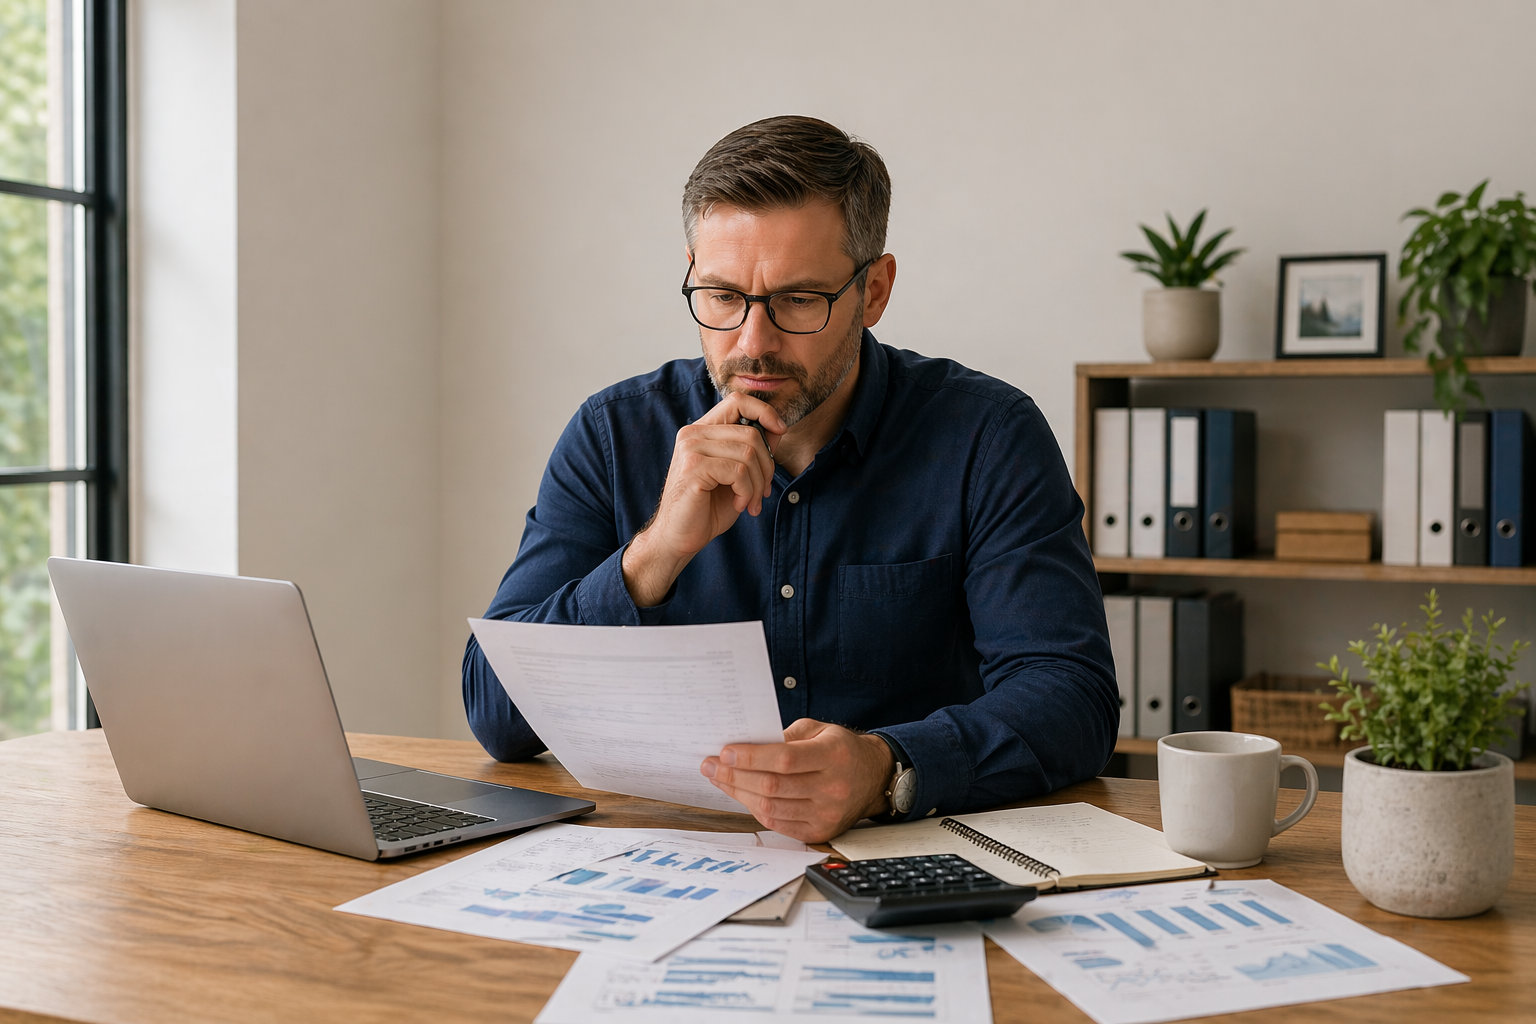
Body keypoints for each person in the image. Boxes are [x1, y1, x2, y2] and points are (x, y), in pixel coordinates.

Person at [463, 115, 1119, 844]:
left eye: (799, 300)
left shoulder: (988, 437)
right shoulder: (613, 435)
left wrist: (886, 769)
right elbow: (497, 716)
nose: (753, 343)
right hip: (673, 854)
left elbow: (1073, 698)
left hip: (911, 854)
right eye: (722, 296)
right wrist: (653, 556)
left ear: (874, 291)